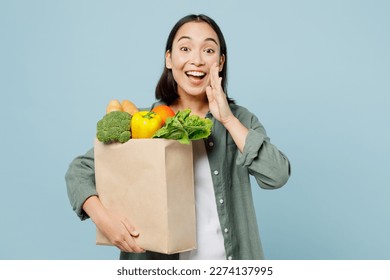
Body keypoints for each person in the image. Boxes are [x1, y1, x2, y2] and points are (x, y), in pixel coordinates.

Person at [65, 14, 291, 260]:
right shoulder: (141, 122)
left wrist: (226, 118)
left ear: (220, 62)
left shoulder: (240, 120)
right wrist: (104, 219)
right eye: (185, 48)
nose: (197, 60)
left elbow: (277, 175)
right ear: (169, 59)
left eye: (208, 50)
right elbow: (79, 171)